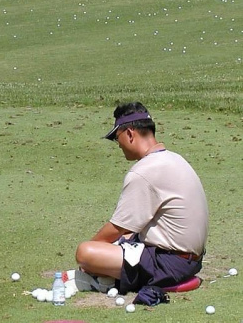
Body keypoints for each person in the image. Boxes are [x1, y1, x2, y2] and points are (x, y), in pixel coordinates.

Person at [63, 102, 209, 297]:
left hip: (169, 265)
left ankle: (102, 278)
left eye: (117, 138)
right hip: (192, 261)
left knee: (85, 252)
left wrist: (90, 261)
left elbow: (118, 227)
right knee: (125, 239)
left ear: (130, 134)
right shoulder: (175, 158)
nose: (118, 144)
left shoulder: (144, 171)